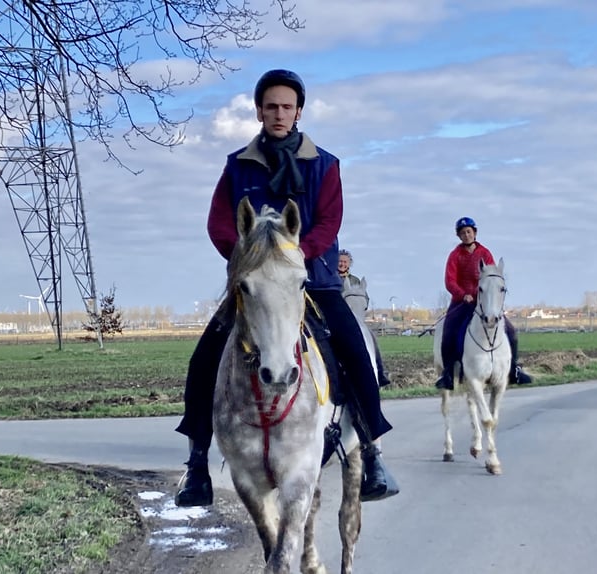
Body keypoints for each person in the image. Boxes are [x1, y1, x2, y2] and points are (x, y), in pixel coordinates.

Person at [175, 69, 399, 507]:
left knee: (354, 349)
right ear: (259, 111)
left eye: (286, 106)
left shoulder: (326, 165)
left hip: (313, 279)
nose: (279, 113)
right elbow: (220, 223)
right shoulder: (237, 165)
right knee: (204, 358)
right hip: (256, 286)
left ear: (299, 111)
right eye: (271, 106)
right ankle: (197, 463)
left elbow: (330, 221)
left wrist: (292, 258)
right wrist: (250, 262)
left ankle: (372, 451)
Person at [435, 217, 533, 390]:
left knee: (511, 331)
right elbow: (449, 281)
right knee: (448, 331)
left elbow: (493, 278)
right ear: (459, 236)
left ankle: (514, 369)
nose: (466, 235)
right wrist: (462, 294)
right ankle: (448, 374)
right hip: (462, 303)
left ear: (474, 233)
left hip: (485, 303)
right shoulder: (455, 256)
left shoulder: (485, 253)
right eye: (463, 233)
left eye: (469, 232)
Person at [338, 249, 391, 387]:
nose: (342, 264)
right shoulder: (331, 278)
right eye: (340, 261)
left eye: (345, 262)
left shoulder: (355, 280)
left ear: (349, 264)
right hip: (337, 315)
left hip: (356, 316)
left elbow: (365, 298)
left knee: (371, 337)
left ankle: (380, 372)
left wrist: (363, 305)